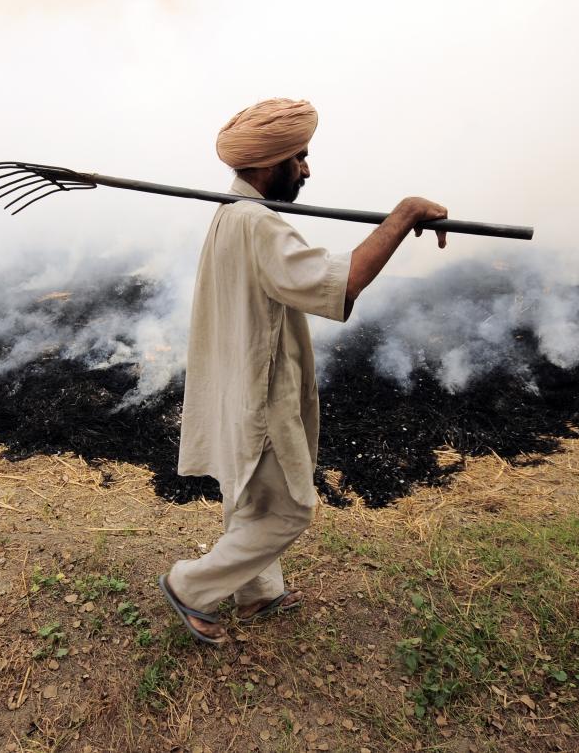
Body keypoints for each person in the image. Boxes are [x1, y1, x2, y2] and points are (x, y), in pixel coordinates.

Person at [159, 98, 449, 644]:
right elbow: (340, 283)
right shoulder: (257, 223)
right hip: (259, 392)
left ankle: (259, 592)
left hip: (237, 383)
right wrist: (404, 213)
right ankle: (190, 586)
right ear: (273, 164)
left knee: (251, 499)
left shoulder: (231, 213)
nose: (308, 170)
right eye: (302, 157)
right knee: (290, 509)